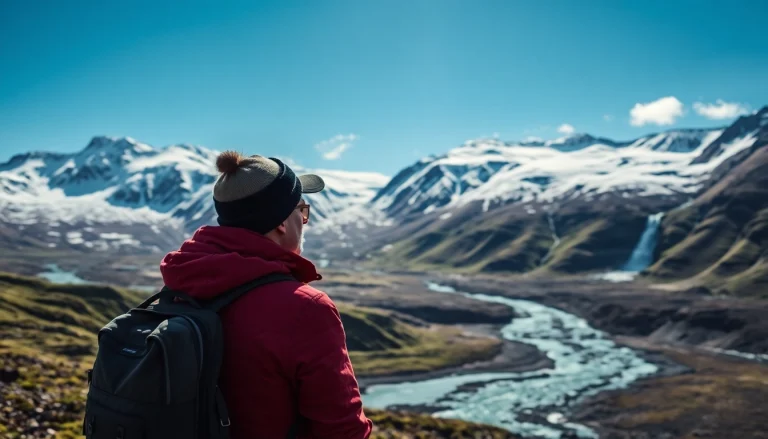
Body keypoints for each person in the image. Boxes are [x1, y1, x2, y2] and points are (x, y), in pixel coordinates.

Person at [158, 151, 373, 439]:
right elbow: (342, 429)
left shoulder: (183, 284)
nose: (305, 220)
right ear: (282, 222)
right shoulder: (306, 308)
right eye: (302, 210)